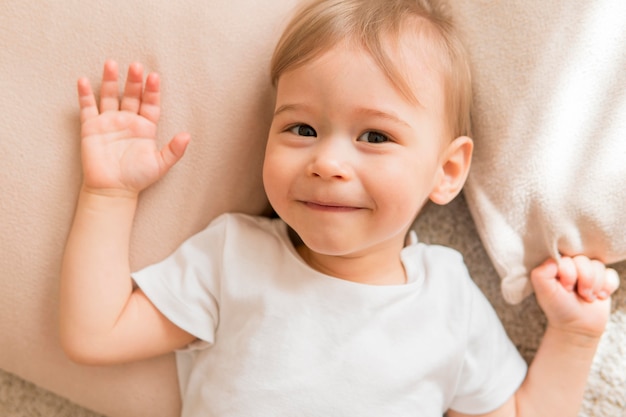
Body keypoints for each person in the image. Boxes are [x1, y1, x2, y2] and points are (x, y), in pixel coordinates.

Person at [60, 0, 620, 416]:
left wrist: (574, 337)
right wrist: (109, 194)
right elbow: (96, 333)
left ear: (446, 171)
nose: (327, 161)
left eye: (375, 136)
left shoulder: (447, 300)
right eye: (301, 128)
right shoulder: (234, 255)